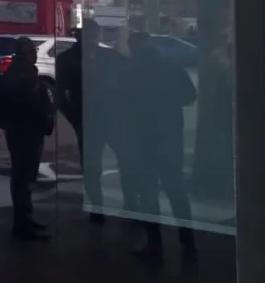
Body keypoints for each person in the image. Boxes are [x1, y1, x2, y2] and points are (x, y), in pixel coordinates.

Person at [125, 31, 199, 265]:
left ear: (134, 47)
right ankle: (188, 241)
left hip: (142, 137)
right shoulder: (170, 66)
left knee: (148, 191)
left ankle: (154, 243)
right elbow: (190, 95)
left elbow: (120, 103)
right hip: (170, 135)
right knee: (176, 189)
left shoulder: (130, 69)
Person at [56, 20, 132, 223]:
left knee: (126, 161)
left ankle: (130, 205)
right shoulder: (67, 59)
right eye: (92, 34)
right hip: (89, 121)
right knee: (92, 167)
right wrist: (76, 119)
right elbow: (60, 96)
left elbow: (128, 80)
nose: (95, 38)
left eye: (96, 34)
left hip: (112, 119)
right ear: (81, 36)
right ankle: (97, 208)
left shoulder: (109, 56)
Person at [0, 36, 55, 240]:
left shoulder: (15, 71)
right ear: (27, 53)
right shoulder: (24, 73)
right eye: (32, 51)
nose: (34, 54)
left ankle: (25, 219)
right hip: (27, 132)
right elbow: (33, 103)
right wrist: (45, 121)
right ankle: (22, 223)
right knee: (23, 178)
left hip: (18, 130)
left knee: (22, 177)